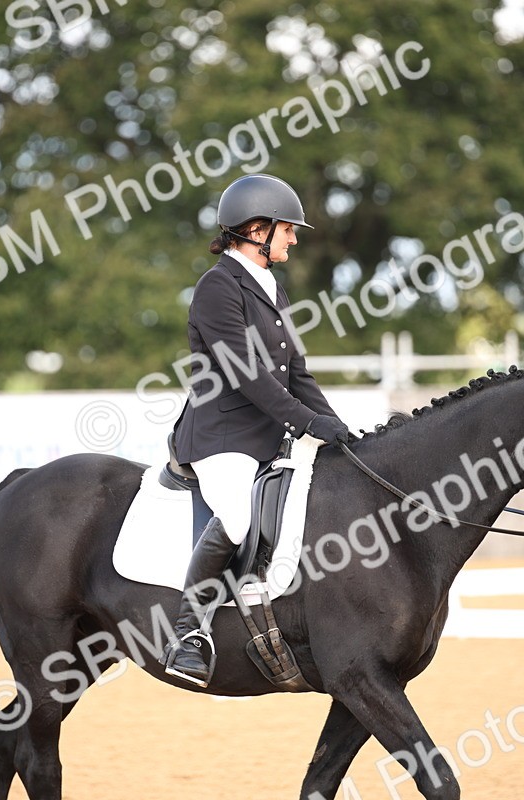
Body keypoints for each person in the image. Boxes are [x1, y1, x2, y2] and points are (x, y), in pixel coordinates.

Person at [163, 173, 352, 687]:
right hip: (221, 435)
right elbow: (246, 373)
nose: (294, 239)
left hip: (267, 435)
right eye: (287, 229)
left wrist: (338, 429)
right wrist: (306, 422)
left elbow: (296, 374)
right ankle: (189, 633)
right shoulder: (216, 287)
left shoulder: (273, 288)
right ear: (255, 230)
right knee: (238, 515)